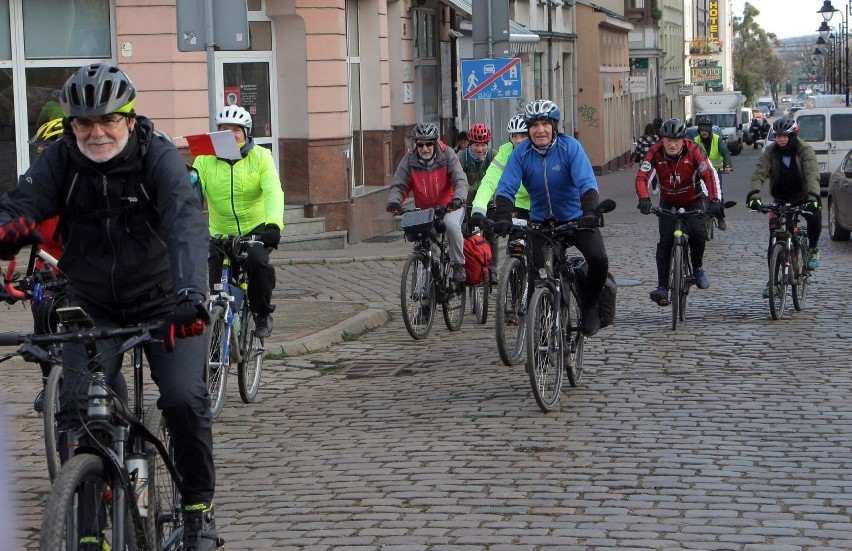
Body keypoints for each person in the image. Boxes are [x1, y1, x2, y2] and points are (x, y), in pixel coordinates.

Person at [0, 63, 222, 550]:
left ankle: (198, 509)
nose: (96, 133)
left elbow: (186, 225)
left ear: (128, 117)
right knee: (78, 408)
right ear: (72, 126)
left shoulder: (157, 157)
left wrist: (191, 296)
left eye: (108, 121)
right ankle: (89, 522)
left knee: (184, 399)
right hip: (93, 303)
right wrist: (5, 238)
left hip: (166, 302)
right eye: (85, 123)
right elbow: (20, 206)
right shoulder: (61, 159)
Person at [493, 99, 609, 337]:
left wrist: (589, 212)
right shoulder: (521, 154)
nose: (539, 130)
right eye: (534, 125)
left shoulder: (570, 148)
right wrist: (503, 217)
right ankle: (542, 337)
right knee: (539, 277)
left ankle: (590, 306)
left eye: (545, 123)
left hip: (576, 219)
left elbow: (586, 183)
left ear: (554, 126)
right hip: (541, 225)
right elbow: (506, 188)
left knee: (598, 259)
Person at [192, 105, 284, 339]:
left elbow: (273, 191)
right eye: (224, 129)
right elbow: (191, 193)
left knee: (257, 262)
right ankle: (213, 355)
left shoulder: (261, 156)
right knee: (216, 292)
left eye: (237, 129)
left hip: (255, 230)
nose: (231, 134)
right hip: (220, 233)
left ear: (246, 132)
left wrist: (273, 225)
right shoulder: (204, 159)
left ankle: (262, 313)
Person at [635, 118, 722, 307]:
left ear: (684, 140)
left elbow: (709, 175)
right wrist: (643, 198)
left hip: (693, 200)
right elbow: (642, 177)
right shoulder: (655, 151)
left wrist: (715, 199)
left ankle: (697, 268)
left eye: (676, 140)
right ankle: (663, 287)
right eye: (668, 140)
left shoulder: (694, 150)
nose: (672, 144)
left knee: (698, 234)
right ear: (662, 140)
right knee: (665, 242)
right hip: (668, 202)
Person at [747, 117, 821, 297]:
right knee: (775, 236)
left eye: (785, 136)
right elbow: (759, 175)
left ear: (793, 135)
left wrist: (813, 198)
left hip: (803, 196)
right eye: (778, 136)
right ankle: (773, 281)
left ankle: (812, 250)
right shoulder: (770, 152)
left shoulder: (805, 150)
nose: (781, 139)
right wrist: (754, 196)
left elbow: (812, 174)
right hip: (780, 198)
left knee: (815, 217)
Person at [387, 122, 468, 282]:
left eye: (429, 144)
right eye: (420, 144)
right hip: (425, 212)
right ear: (416, 144)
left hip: (449, 207)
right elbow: (399, 185)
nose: (425, 148)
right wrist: (394, 202)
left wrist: (457, 199)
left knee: (451, 226)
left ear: (435, 142)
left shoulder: (447, 154)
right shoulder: (409, 160)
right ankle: (424, 295)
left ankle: (458, 264)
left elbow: (460, 179)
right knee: (424, 246)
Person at [25, 118, 67, 413]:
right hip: (48, 267)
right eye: (38, 153)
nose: (40, 159)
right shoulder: (37, 187)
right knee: (41, 316)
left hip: (84, 271)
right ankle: (46, 383)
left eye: (45, 152)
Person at [458, 123, 498, 282]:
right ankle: (462, 266)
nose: (480, 149)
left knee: (491, 235)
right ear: (469, 144)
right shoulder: (461, 157)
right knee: (461, 234)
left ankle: (493, 269)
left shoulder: (493, 156)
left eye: (483, 145)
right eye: (476, 145)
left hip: (488, 204)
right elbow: (455, 179)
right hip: (466, 202)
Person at [694, 116, 732, 230]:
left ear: (710, 131)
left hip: (716, 171)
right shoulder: (695, 140)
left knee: (718, 194)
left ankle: (720, 217)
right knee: (696, 192)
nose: (704, 133)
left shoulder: (717, 139)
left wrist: (727, 165)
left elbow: (725, 153)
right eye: (702, 130)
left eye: (706, 130)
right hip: (700, 172)